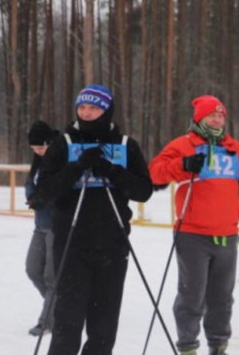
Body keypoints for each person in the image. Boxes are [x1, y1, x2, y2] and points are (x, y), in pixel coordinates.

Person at [149, 95, 239, 355]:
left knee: (222, 299)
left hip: (227, 235)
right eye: (211, 116)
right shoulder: (184, 145)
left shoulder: (233, 148)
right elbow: (155, 171)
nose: (216, 120)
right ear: (199, 119)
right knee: (192, 297)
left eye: (220, 115)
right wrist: (182, 164)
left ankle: (218, 345)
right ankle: (188, 346)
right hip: (193, 235)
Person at [37, 85, 153, 355]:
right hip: (72, 243)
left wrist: (112, 171)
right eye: (82, 107)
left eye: (94, 108)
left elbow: (143, 190)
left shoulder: (125, 145)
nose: (86, 113)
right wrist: (76, 167)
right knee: (68, 320)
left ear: (107, 110)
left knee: (104, 325)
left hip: (113, 244)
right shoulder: (63, 143)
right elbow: (44, 191)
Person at [24, 121, 59, 336]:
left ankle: (48, 320)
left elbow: (62, 189)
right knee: (33, 269)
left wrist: (46, 199)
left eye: (40, 147)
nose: (37, 152)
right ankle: (60, 304)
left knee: (51, 276)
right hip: (40, 225)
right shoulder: (38, 162)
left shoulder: (59, 159)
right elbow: (31, 184)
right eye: (34, 149)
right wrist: (33, 198)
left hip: (57, 225)